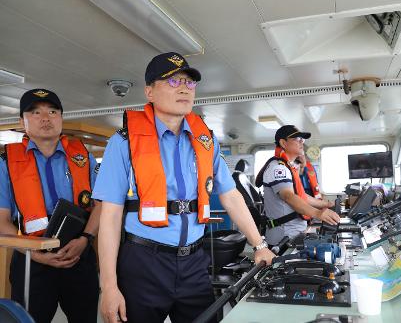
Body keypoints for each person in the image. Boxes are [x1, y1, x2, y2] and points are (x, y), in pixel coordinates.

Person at [93, 52, 275, 323]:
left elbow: (230, 195)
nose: (183, 88)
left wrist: (259, 244)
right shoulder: (124, 142)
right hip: (144, 262)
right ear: (149, 91)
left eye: (189, 83)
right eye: (172, 81)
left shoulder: (206, 141)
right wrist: (108, 286)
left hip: (194, 263)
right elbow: (109, 216)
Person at [0, 89, 101, 323]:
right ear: (21, 121)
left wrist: (86, 239)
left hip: (79, 254)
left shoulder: (84, 158)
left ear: (61, 118)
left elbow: (100, 206)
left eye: (52, 111)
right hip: (30, 261)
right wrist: (34, 254)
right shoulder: (6, 163)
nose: (45, 118)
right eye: (35, 112)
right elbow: (2, 219)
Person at [255, 125, 340, 245]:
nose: (302, 142)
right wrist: (317, 213)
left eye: (302, 139)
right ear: (283, 143)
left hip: (295, 232)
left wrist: (325, 204)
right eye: (297, 139)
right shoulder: (278, 168)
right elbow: (288, 196)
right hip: (284, 238)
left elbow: (301, 195)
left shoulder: (288, 167)